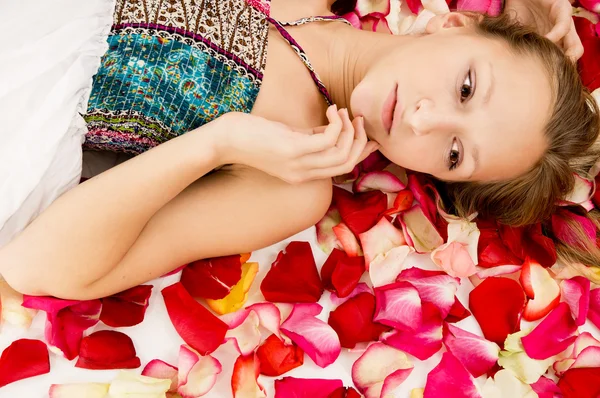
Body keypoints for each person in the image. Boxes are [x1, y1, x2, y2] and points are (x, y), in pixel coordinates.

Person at [0, 0, 598, 300]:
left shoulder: (292, 182)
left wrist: (220, 142)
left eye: (454, 154)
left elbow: (35, 268)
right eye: (466, 87)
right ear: (453, 25)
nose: (425, 118)